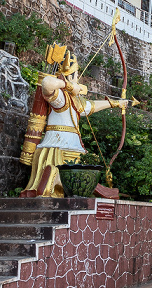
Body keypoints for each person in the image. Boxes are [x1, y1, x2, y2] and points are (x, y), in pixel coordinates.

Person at [21, 49, 127, 198]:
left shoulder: (75, 100)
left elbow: (92, 106)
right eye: (77, 75)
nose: (79, 79)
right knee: (69, 174)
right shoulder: (61, 98)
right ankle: (52, 180)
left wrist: (116, 103)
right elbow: (47, 83)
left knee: (79, 174)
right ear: (71, 76)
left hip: (71, 147)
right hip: (58, 148)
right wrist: (70, 86)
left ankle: (74, 187)